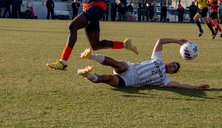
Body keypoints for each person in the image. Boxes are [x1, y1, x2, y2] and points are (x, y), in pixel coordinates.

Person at [78, 38, 209, 90]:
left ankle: (87, 75)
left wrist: (196, 87)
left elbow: (179, 85)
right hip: (131, 68)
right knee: (119, 65)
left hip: (129, 81)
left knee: (106, 78)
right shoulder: (157, 59)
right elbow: (160, 41)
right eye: (172, 63)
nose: (171, 65)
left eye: (173, 67)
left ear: (171, 73)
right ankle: (91, 56)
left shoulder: (165, 79)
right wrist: (177, 41)